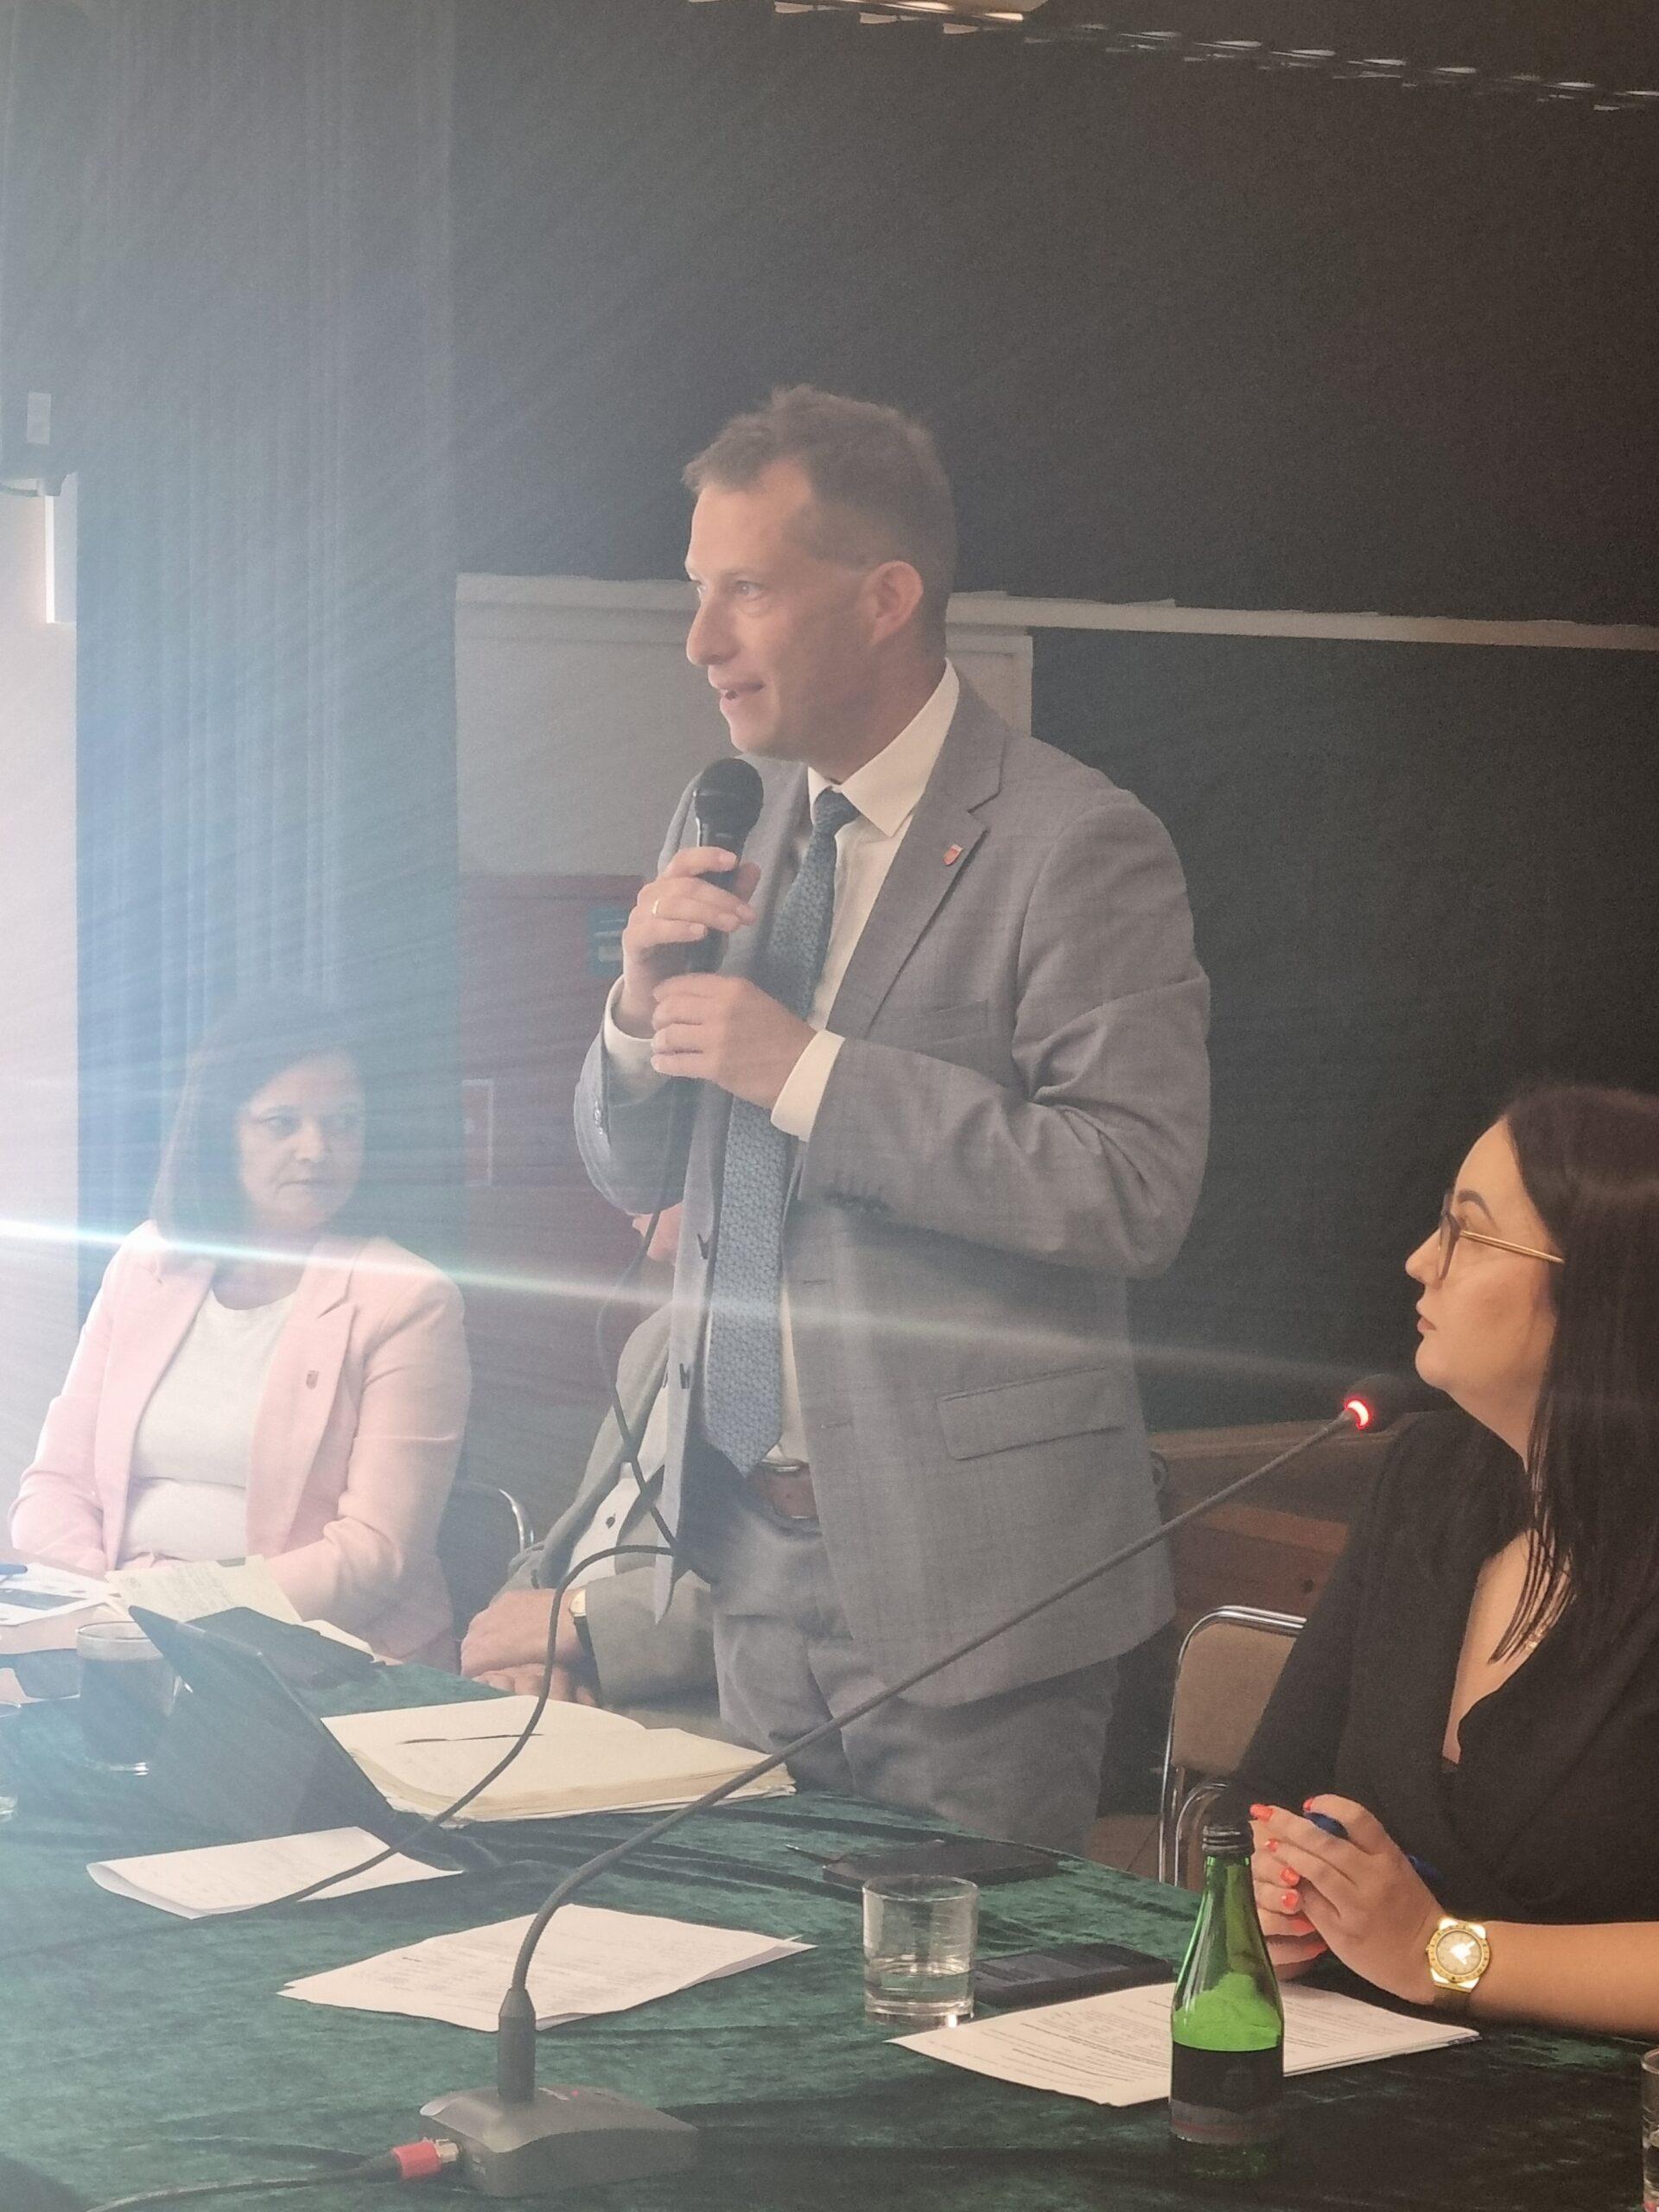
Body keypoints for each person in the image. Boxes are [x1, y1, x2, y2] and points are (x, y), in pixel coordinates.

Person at [575, 386, 1209, 1852]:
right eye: (697, 591)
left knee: (973, 1990)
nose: (700, 641)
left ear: (883, 599)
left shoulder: (1076, 842)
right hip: (747, 1560)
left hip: (975, 1592)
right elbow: (630, 1167)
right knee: (768, 1982)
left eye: (745, 591)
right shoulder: (733, 825)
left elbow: (1133, 1184)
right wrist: (634, 1016)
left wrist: (811, 1073)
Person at [1240, 1083, 1659, 2038]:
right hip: (1353, 2064)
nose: (1421, 1260)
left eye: (1468, 1233)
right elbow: (1264, 1793)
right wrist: (1277, 1893)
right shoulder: (1430, 1478)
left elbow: (1422, 1948)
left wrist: (1443, 1952)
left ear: (1602, 1287)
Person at [10, 995, 469, 1663]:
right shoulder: (148, 1260)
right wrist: (106, 1606)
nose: (316, 1149)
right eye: (282, 1123)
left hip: (316, 1653)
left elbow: (375, 1554)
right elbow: (55, 1484)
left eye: (342, 1123)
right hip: (122, 1628)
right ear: (220, 1132)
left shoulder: (407, 1297)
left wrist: (172, 1609)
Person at [460, 1207, 721, 1733]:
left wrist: (580, 1622)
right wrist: (523, 1647)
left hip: (685, 1716)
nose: (622, 1198)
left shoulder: (814, 1349)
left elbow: (815, 1600)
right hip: (563, 1685)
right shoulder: (654, 1336)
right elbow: (578, 1534)